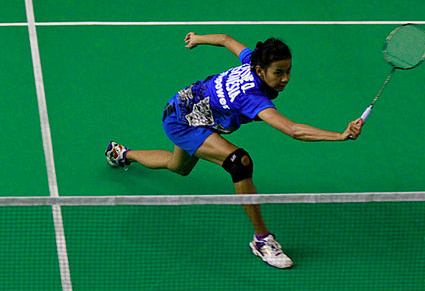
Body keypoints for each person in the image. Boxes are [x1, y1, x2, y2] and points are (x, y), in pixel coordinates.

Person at [105, 32, 363, 269]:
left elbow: (226, 40)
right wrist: (339, 135)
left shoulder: (253, 60)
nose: (285, 78)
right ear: (260, 71)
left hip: (187, 107)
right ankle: (262, 240)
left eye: (288, 71)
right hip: (184, 121)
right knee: (239, 162)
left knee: (178, 166)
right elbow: (293, 130)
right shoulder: (251, 96)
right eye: (279, 73)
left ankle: (122, 154)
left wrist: (197, 38)